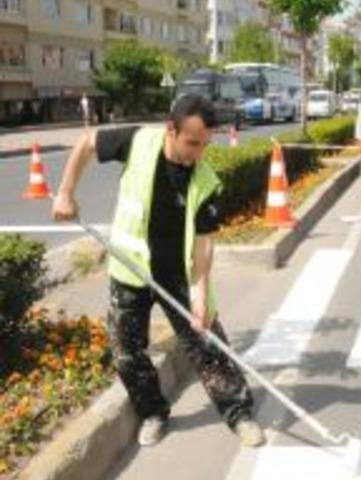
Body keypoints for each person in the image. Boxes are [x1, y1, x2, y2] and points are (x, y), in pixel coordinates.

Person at [51, 94, 265, 448]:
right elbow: (87, 142)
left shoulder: (206, 182)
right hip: (130, 269)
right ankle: (153, 412)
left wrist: (199, 296)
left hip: (177, 273)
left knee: (207, 344)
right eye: (191, 142)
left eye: (204, 144)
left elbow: (203, 245)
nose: (198, 152)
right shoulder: (138, 142)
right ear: (171, 129)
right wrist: (65, 192)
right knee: (125, 350)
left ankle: (239, 413)